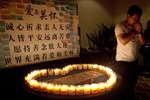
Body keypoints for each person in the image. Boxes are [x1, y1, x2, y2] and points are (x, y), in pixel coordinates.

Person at [114, 5, 145, 100]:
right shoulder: (120, 26)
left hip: (134, 60)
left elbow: (143, 42)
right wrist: (134, 31)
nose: (136, 21)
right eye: (134, 18)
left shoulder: (137, 27)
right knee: (121, 84)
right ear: (128, 15)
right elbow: (123, 41)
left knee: (132, 83)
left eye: (138, 19)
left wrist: (139, 32)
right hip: (122, 61)